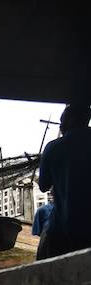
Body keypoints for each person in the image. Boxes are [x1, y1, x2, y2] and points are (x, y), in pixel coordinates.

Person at [38, 103, 91, 257]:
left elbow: (43, 185)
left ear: (72, 120)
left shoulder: (53, 148)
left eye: (63, 121)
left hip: (64, 230)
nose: (60, 126)